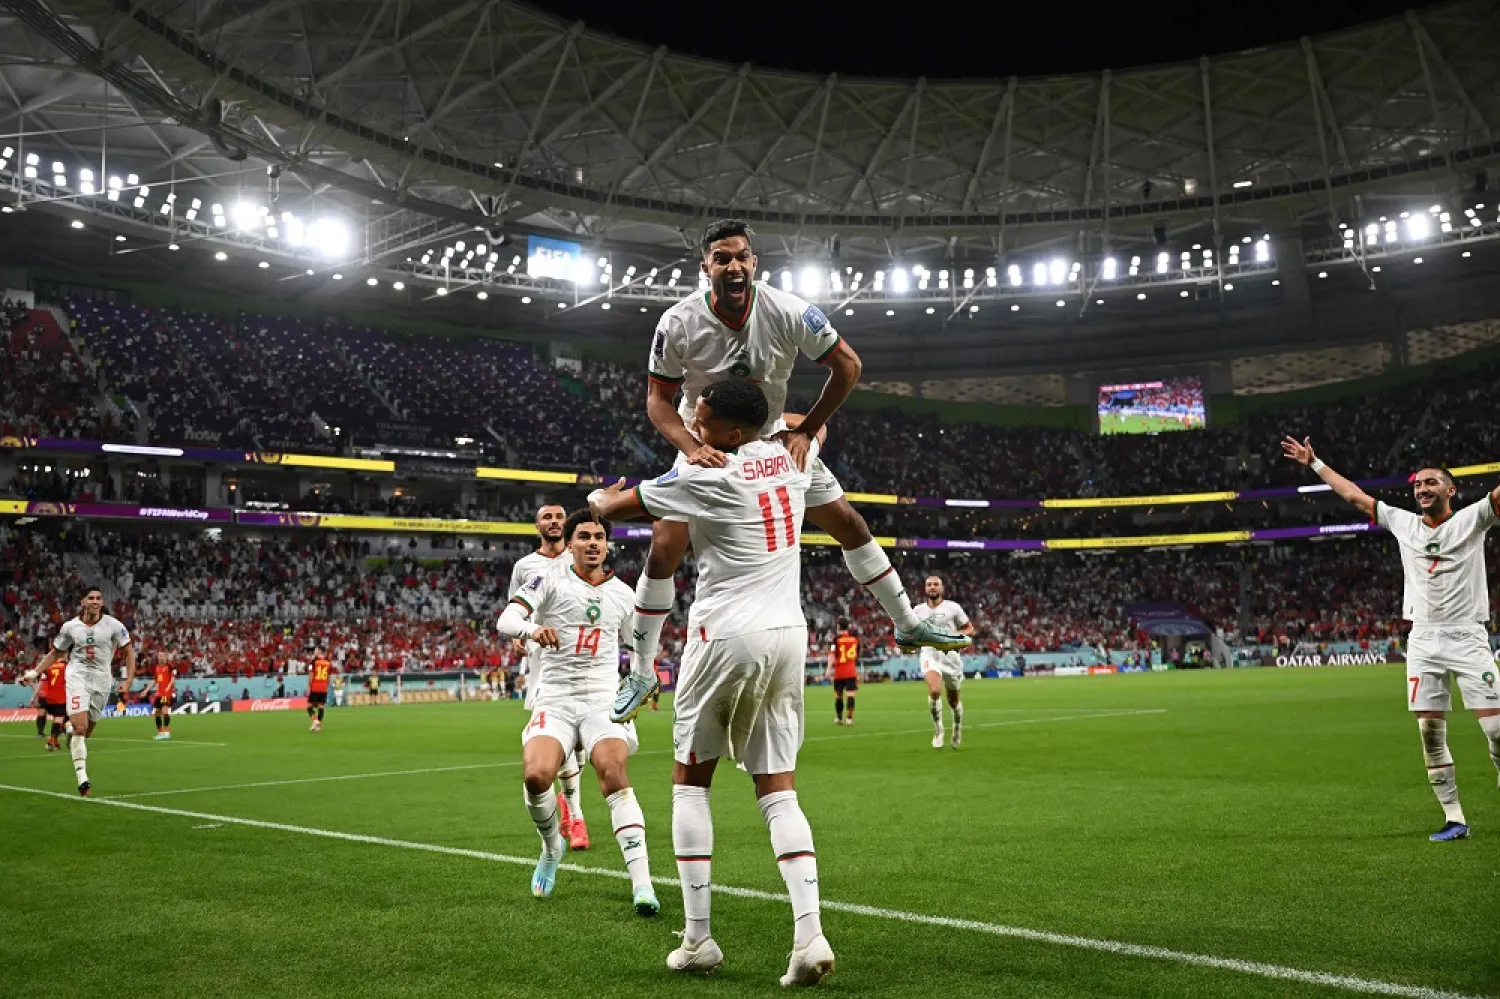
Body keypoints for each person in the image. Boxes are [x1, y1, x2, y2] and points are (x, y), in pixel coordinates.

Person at [613, 219, 968, 723]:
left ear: (754, 264)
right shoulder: (678, 322)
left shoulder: (788, 310)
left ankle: (907, 622)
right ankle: (642, 670)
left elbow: (848, 365)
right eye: (722, 258)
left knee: (849, 522)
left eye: (742, 256)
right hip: (707, 446)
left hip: (774, 443)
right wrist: (691, 447)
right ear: (705, 268)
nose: (733, 266)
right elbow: (658, 400)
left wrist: (810, 428)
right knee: (664, 548)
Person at [590, 377, 835, 986]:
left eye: (700, 423)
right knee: (779, 791)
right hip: (789, 635)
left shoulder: (710, 474)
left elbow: (620, 510)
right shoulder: (795, 456)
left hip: (723, 636)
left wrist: (596, 500)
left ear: (730, 433)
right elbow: (813, 422)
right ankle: (810, 935)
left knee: (690, 783)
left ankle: (698, 938)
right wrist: (802, 427)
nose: (691, 432)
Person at [1283, 436, 1500, 840]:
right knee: (1430, 734)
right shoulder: (1403, 522)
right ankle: (1455, 819)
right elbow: (1353, 496)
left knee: (1496, 732)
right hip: (1422, 640)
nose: (1423, 489)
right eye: (1418, 485)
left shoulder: (1474, 518)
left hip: (1468, 636)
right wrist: (1315, 464)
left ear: (1451, 490)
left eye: (1432, 483)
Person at [495, 510, 658, 915]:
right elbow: (507, 618)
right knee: (536, 776)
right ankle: (552, 847)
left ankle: (643, 884)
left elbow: (640, 648)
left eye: (599, 536)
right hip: (556, 697)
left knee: (614, 775)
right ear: (570, 544)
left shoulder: (623, 593)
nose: (592, 543)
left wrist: (642, 684)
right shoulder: (547, 579)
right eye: (583, 536)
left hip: (602, 699)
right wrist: (532, 630)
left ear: (606, 544)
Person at [509, 502, 591, 850]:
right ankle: (576, 816)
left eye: (559, 517)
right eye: (547, 517)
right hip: (547, 662)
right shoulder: (526, 567)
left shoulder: (580, 556)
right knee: (561, 732)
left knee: (584, 742)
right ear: (536, 525)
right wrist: (522, 634)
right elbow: (515, 610)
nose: (554, 522)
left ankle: (567, 799)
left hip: (586, 658)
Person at [24, 586, 136, 796]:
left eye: (98, 598)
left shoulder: (114, 625)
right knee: (80, 728)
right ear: (83, 602)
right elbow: (55, 653)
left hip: (102, 681)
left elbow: (129, 652)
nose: (95, 602)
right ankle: (82, 777)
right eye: (91, 598)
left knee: (86, 732)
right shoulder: (70, 627)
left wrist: (128, 681)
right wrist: (35, 672)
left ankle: (70, 730)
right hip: (78, 678)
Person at [914, 576, 977, 749]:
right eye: (929, 585)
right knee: (934, 691)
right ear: (925, 589)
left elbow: (970, 629)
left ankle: (957, 727)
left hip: (950, 657)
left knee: (953, 701)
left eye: (936, 584)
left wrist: (953, 634)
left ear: (942, 588)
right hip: (929, 654)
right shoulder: (917, 610)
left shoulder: (952, 607)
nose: (932, 587)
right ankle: (939, 729)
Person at [825, 618, 860, 726]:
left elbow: (832, 655)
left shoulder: (836, 640)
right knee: (851, 695)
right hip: (851, 672)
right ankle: (849, 719)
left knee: (838, 696)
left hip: (839, 672)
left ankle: (839, 718)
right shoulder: (855, 639)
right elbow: (856, 655)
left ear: (838, 626)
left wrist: (828, 670)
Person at [151, 651, 176, 741]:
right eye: (159, 655)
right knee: (157, 713)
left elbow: (173, 678)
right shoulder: (157, 667)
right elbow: (155, 680)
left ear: (166, 657)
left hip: (166, 693)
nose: (161, 657)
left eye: (163, 656)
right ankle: (160, 732)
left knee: (165, 711)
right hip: (158, 693)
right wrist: (146, 690)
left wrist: (168, 687)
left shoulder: (170, 666)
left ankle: (167, 732)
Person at [307, 650, 333, 732]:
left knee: (309, 706)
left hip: (315, 687)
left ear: (318, 654)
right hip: (324, 688)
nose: (314, 653)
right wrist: (326, 685)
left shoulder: (312, 663)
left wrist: (308, 687)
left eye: (315, 652)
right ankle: (318, 727)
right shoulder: (328, 663)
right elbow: (329, 677)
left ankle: (315, 720)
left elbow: (311, 675)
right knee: (321, 707)